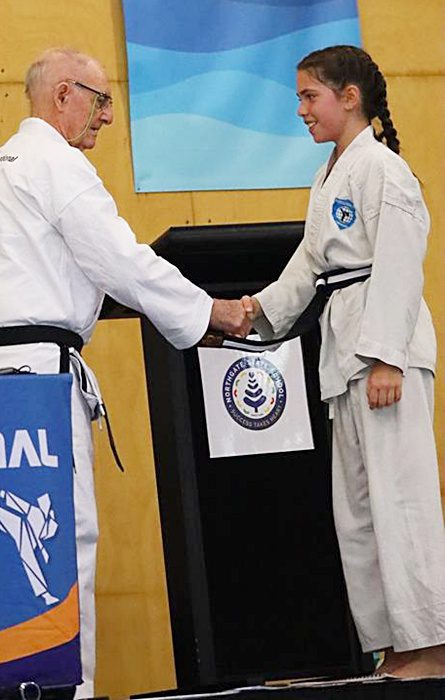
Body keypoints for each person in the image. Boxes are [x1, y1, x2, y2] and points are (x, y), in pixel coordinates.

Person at [0, 47, 249, 697]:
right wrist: (208, 311)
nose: (108, 116)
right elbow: (120, 260)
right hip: (36, 387)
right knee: (57, 541)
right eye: (101, 99)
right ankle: (65, 691)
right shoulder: (56, 165)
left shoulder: (7, 166)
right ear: (62, 95)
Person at [241, 45, 445, 678]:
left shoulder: (382, 168)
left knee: (401, 500)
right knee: (358, 512)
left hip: (384, 354)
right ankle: (393, 644)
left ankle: (432, 646)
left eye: (310, 96)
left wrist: (386, 357)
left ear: (349, 97)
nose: (301, 109)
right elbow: (308, 266)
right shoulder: (330, 173)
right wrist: (253, 315)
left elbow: (401, 262)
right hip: (345, 351)